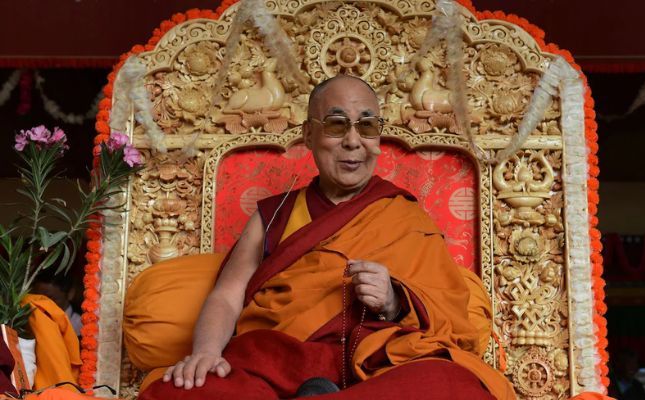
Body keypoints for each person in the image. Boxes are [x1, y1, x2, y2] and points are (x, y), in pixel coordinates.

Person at [140, 75, 515, 399]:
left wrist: (393, 300)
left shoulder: (405, 216)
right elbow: (227, 295)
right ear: (309, 134)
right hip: (275, 364)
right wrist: (206, 353)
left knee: (453, 386)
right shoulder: (275, 215)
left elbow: (451, 318)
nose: (353, 141)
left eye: (367, 126)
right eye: (336, 125)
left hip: (374, 367)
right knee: (176, 392)